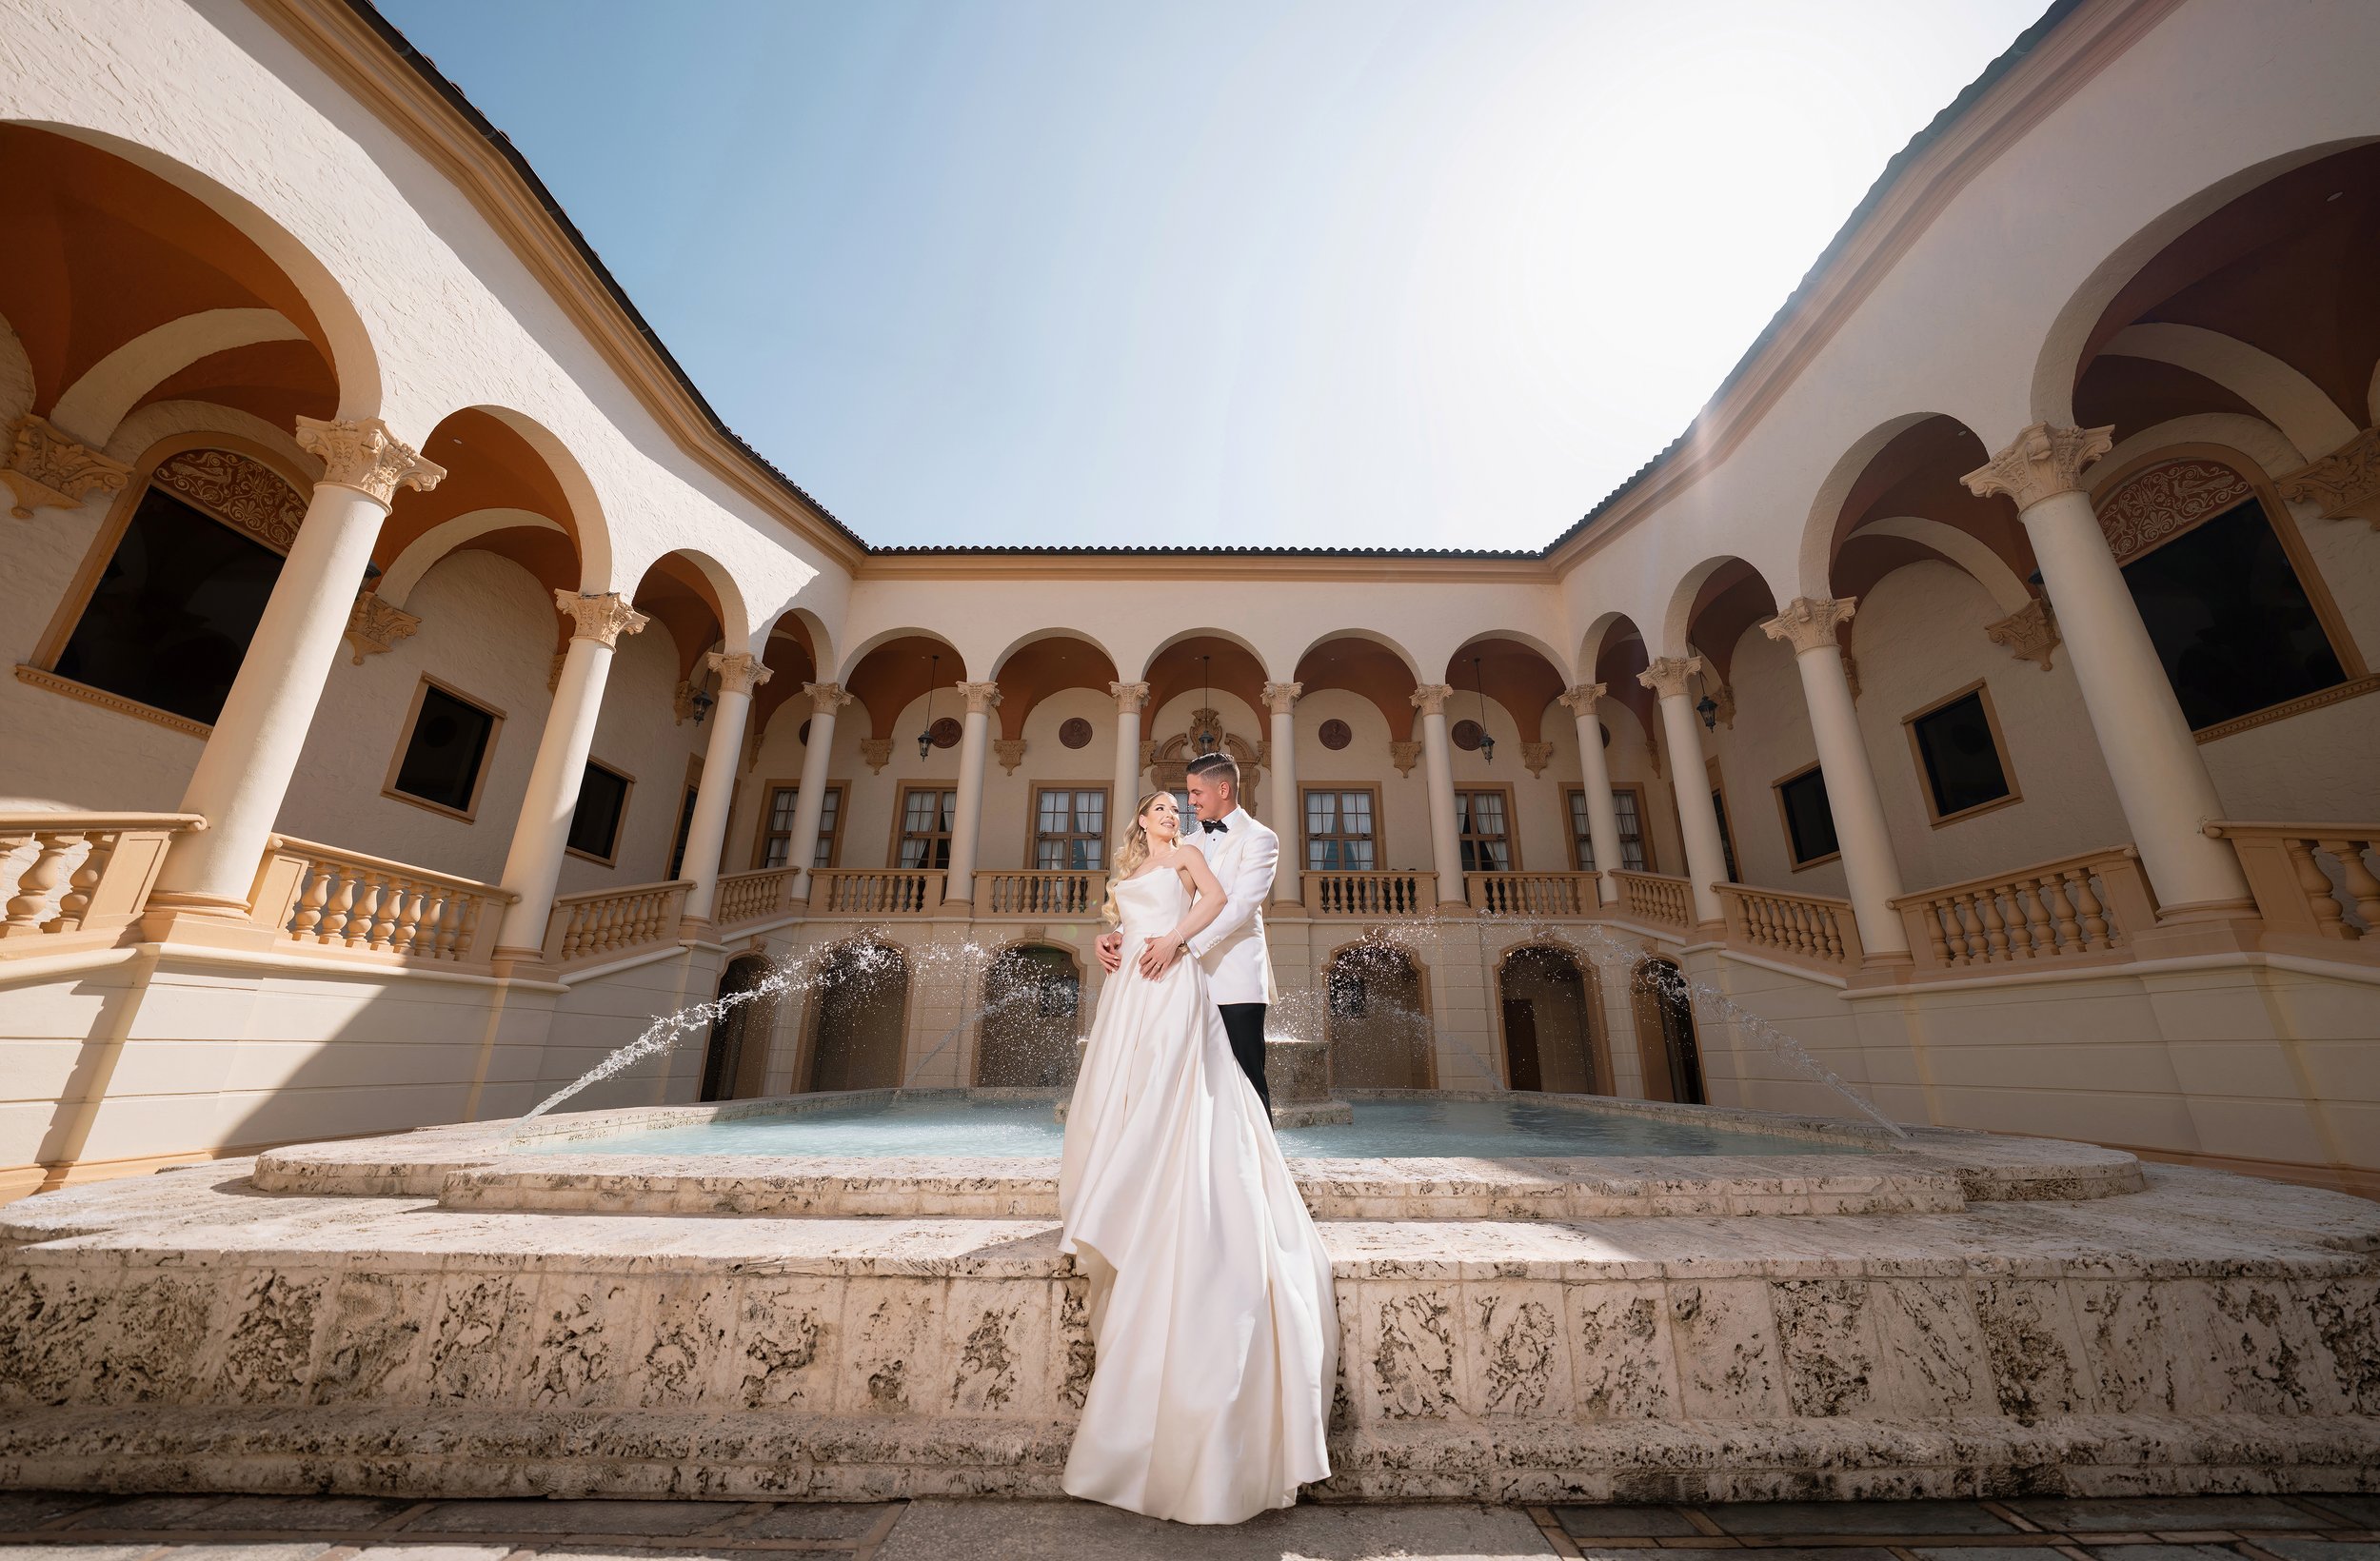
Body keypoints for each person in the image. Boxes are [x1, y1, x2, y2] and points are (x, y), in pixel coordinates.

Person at [1057, 790, 1336, 1525]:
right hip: (1129, 991)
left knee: (1173, 1092)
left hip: (1172, 982)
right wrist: (1104, 941)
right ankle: (1124, 1183)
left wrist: (1175, 941)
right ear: (1137, 820)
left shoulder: (1187, 857)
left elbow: (1214, 902)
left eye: (1177, 809)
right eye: (1158, 808)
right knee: (1121, 1090)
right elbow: (1119, 920)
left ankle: (1155, 1186)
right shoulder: (1128, 869)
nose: (1171, 815)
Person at [1095, 752, 1279, 1112]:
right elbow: (1161, 895)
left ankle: (1255, 1166)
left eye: (1195, 793)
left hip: (1233, 971)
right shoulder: (1188, 842)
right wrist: (1121, 931)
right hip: (1179, 977)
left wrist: (1179, 945)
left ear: (1223, 788)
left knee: (1246, 1078)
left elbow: (1239, 906)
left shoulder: (1260, 838)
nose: (1189, 802)